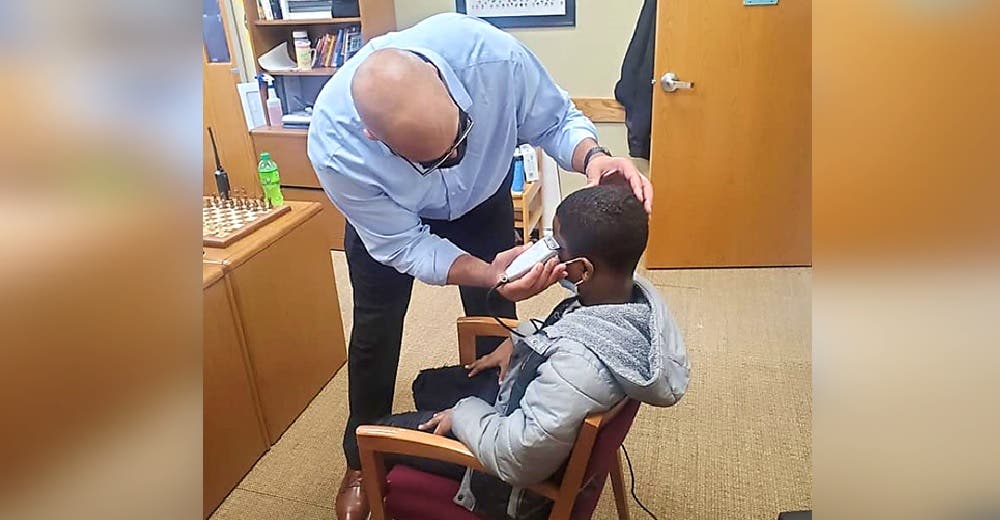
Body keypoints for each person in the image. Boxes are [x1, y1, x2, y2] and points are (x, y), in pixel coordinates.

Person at [306, 13, 655, 518]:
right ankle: (360, 459)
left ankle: (499, 428)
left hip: (484, 197)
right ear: (373, 137)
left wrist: (593, 158)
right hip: (393, 222)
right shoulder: (337, 146)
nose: (454, 157)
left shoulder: (491, 57)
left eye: (461, 137)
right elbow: (406, 246)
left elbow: (555, 121)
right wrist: (484, 268)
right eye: (434, 159)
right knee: (375, 332)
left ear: (450, 87)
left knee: (497, 314)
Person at [348, 185, 690, 520]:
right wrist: (520, 339)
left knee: (378, 432)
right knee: (425, 386)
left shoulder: (575, 371)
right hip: (536, 405)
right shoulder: (629, 302)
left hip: (510, 480)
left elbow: (518, 459)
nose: (545, 251)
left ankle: (386, 475)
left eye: (555, 245)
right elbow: (572, 323)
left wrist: (462, 413)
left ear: (583, 270)